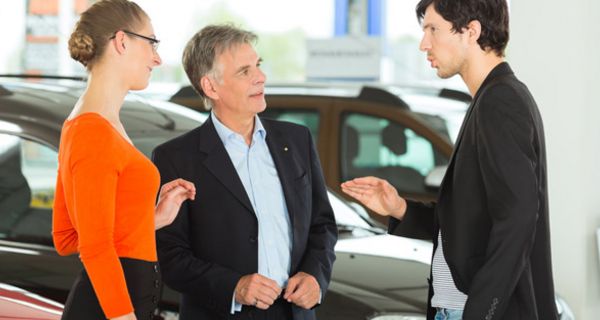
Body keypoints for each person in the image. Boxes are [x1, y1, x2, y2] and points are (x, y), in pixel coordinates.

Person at [341, 0, 558, 319]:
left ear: (472, 31)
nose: (423, 43)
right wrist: (399, 208)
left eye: (433, 29)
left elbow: (518, 218)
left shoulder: (500, 101)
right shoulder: (488, 99)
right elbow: (470, 222)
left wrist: (481, 312)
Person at [152, 24, 338, 320]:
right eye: (244, 71)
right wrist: (234, 287)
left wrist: (316, 276)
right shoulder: (175, 158)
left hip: (295, 314)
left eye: (258, 66)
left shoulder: (297, 140)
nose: (260, 77)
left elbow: (323, 225)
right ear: (211, 87)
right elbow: (170, 255)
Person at [51, 1, 195, 319]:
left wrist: (152, 219)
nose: (157, 59)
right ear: (122, 41)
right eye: (151, 43)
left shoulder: (95, 125)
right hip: (113, 311)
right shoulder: (93, 131)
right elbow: (95, 246)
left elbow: (67, 238)